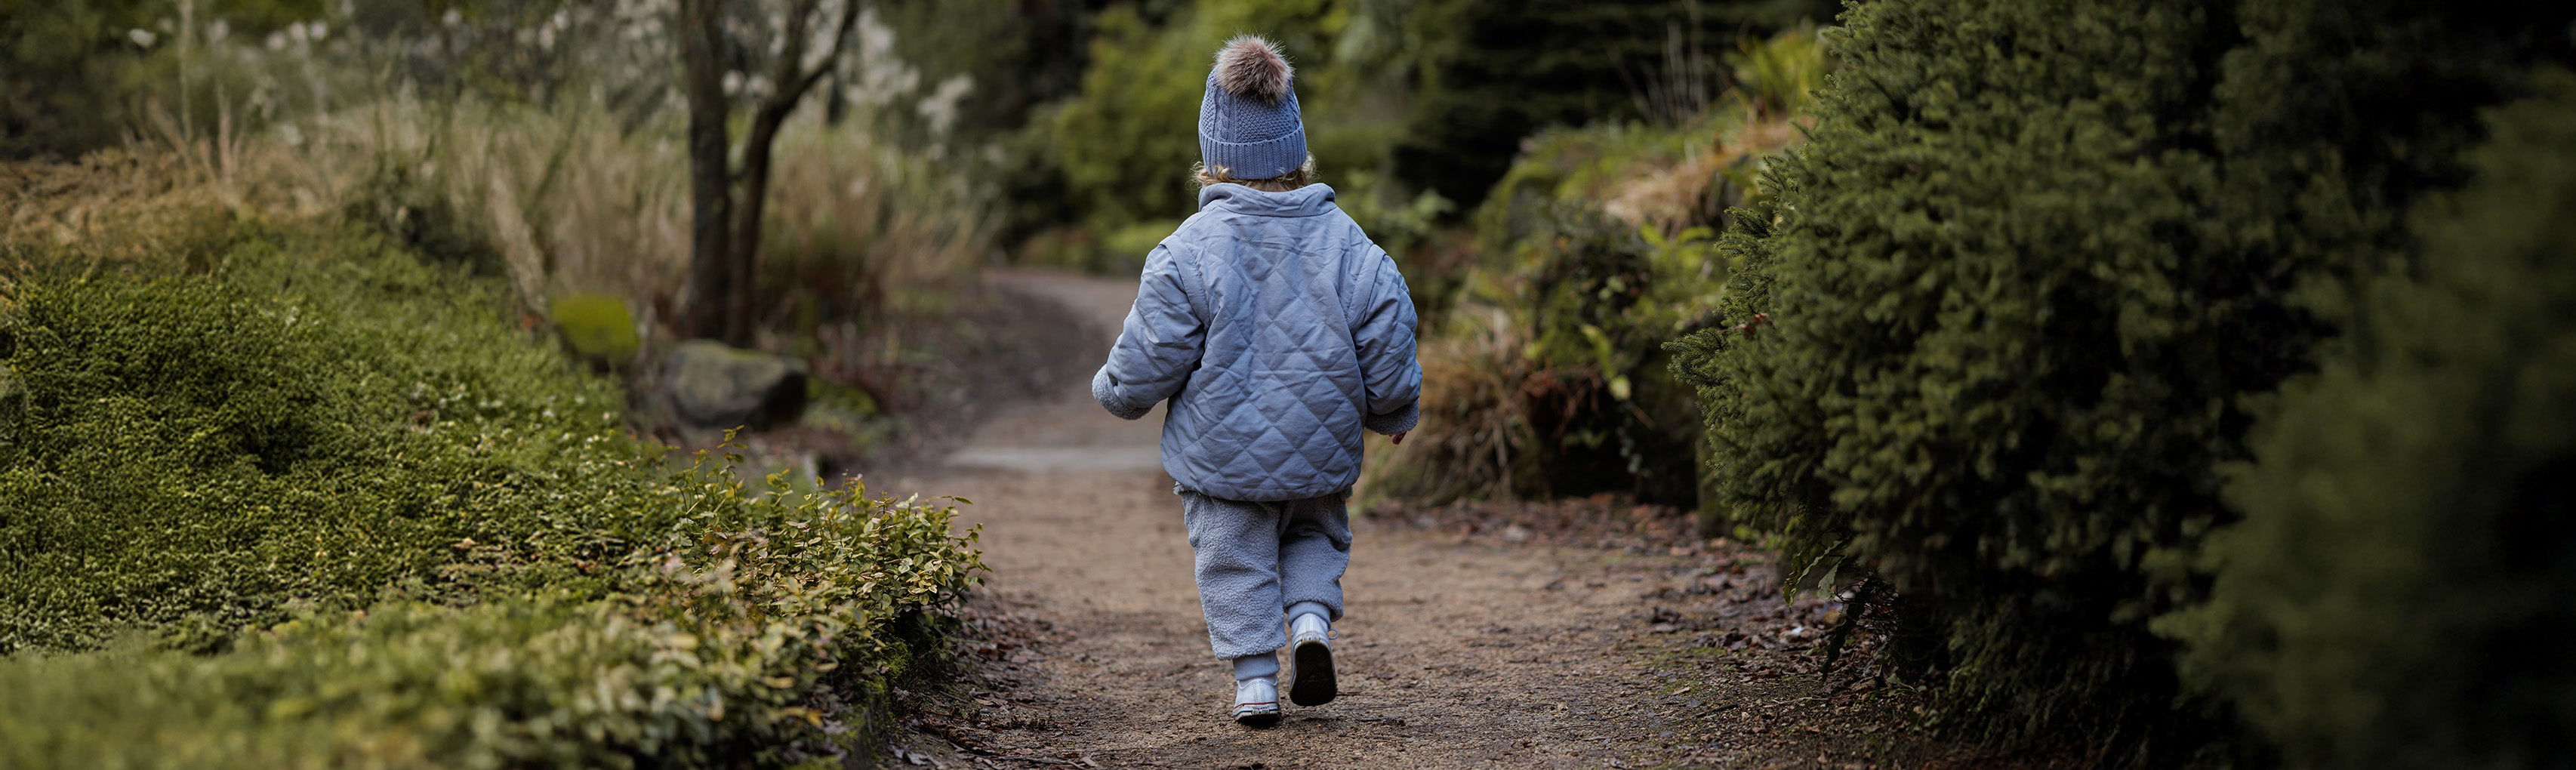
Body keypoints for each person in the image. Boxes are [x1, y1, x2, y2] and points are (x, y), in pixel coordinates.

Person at [1089, 35, 1424, 728]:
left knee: (1233, 555)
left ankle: (1254, 684)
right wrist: (1394, 411)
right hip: (1321, 450)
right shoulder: (1352, 244)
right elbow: (1388, 333)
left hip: (1224, 458)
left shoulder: (1186, 253)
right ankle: (1309, 626)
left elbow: (1152, 350)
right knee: (1313, 536)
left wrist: (1117, 393)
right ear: (1297, 154)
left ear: (1212, 162)